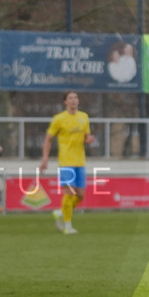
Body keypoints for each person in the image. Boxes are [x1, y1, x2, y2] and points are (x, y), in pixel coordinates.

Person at [39, 90, 94, 235]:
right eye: (70, 98)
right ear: (65, 102)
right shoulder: (59, 119)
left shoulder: (84, 117)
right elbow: (48, 140)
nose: (73, 100)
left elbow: (87, 136)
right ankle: (67, 226)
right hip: (66, 162)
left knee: (80, 195)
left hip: (80, 161)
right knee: (69, 193)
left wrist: (89, 140)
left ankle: (61, 212)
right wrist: (45, 159)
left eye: (76, 97)